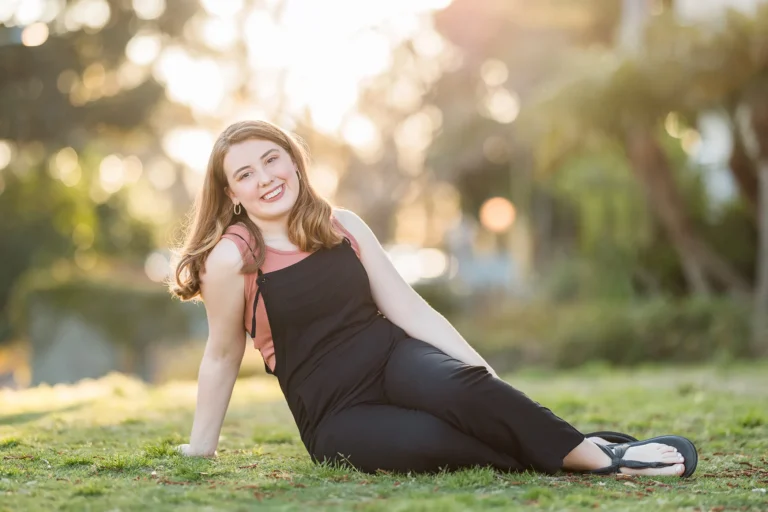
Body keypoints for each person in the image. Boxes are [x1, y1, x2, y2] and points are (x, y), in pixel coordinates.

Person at [169, 120, 697, 477]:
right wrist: (202, 447)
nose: (265, 179)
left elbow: (406, 306)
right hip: (333, 410)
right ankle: (594, 451)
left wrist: (479, 373)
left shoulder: (342, 226)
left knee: (466, 394)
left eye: (271, 160)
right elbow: (221, 354)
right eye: (245, 174)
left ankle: (604, 461)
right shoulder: (232, 260)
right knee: (434, 441)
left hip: (394, 357)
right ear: (231, 194)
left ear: (294, 162)